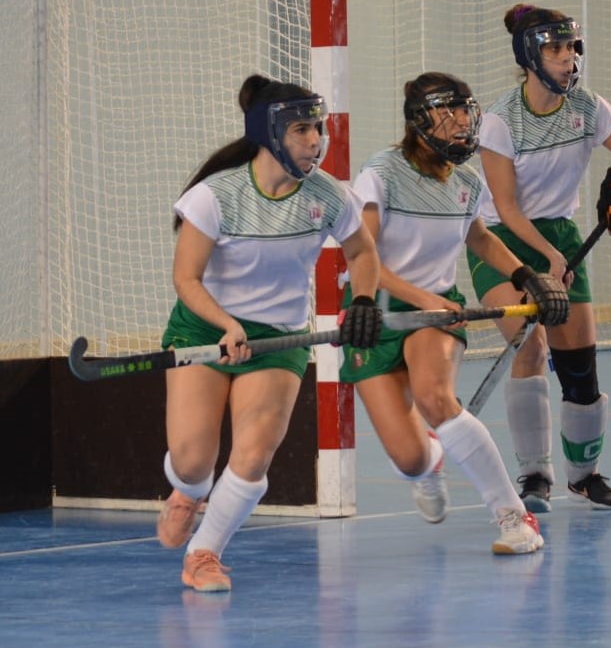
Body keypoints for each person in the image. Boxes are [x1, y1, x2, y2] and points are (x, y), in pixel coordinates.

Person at [155, 74, 383, 592]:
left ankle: (204, 553)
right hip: (204, 327)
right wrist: (226, 324)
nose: (316, 140)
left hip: (278, 338)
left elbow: (362, 251)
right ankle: (186, 491)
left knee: (255, 454)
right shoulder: (215, 196)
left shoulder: (328, 195)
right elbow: (186, 279)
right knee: (193, 461)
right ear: (270, 132)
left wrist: (364, 299)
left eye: (318, 128)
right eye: (303, 129)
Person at [339, 72, 570, 554]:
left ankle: (513, 518)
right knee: (408, 458)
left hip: (437, 312)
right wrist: (419, 298)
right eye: (452, 112)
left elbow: (480, 237)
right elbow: (364, 256)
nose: (464, 122)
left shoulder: (465, 179)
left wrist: (527, 276)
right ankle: (432, 459)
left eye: (468, 111)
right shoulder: (381, 173)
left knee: (435, 398)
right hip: (375, 311)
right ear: (421, 120)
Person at [467, 4, 611, 513]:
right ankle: (534, 477)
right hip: (503, 240)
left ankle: (584, 475)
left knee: (580, 366)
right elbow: (505, 207)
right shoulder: (501, 121)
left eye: (572, 48)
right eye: (555, 49)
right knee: (530, 348)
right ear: (529, 55)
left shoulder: (588, 107)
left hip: (562, 235)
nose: (568, 59)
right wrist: (549, 257)